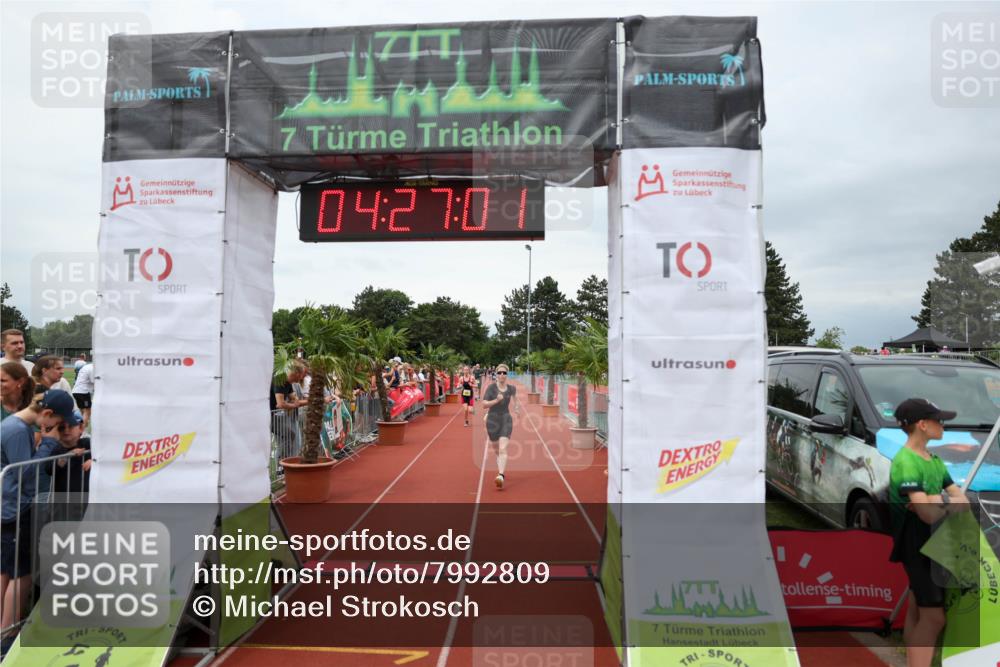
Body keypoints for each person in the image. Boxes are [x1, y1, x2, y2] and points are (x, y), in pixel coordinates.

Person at [888, 398, 970, 667]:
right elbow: (928, 515)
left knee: (917, 607)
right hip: (917, 544)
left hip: (933, 541)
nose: (943, 425)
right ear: (923, 425)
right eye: (939, 421)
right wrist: (942, 504)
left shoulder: (934, 460)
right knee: (934, 617)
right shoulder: (906, 462)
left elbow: (961, 501)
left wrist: (935, 502)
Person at [1, 389, 81, 641]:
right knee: (20, 573)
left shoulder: (16, 426)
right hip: (17, 507)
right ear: (46, 414)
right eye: (58, 425)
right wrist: (49, 443)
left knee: (7, 569)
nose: (59, 430)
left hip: (12, 505)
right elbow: (27, 474)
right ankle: (9, 631)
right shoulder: (16, 430)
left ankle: (5, 627)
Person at [481, 364, 519, 490]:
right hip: (492, 420)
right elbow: (484, 405)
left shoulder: (512, 388)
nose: (502, 375)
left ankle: (501, 475)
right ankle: (501, 467)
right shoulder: (491, 388)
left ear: (507, 375)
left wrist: (517, 409)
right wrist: (496, 401)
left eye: (504, 373)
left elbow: (516, 400)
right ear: (496, 374)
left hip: (506, 419)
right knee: (497, 450)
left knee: (503, 448)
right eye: (500, 373)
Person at [71, 361, 95, 426]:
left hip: (76, 391)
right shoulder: (92, 368)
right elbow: (94, 381)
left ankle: (79, 430)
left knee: (83, 412)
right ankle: (83, 431)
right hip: (83, 392)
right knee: (87, 411)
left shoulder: (87, 367)